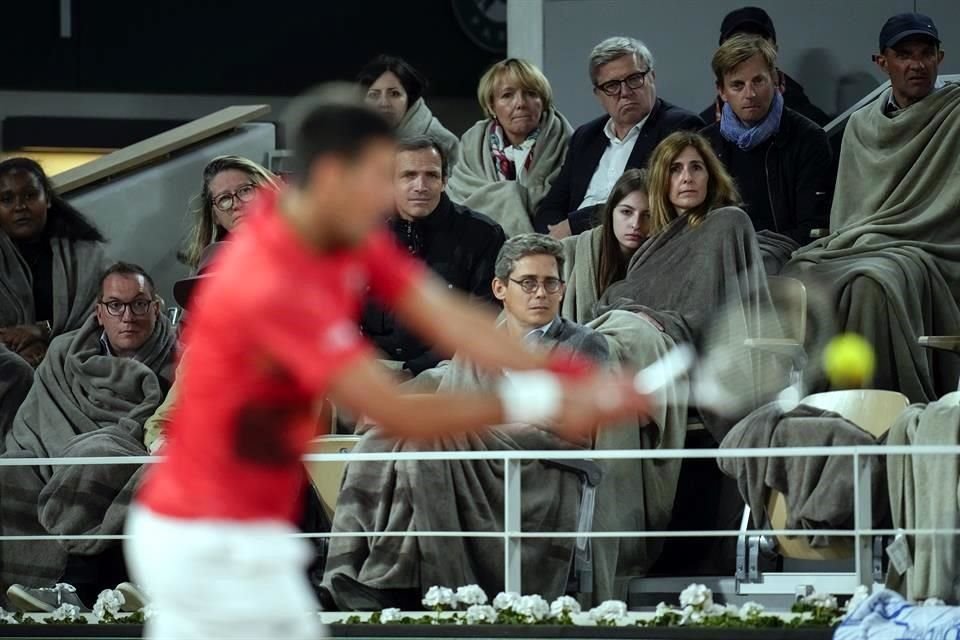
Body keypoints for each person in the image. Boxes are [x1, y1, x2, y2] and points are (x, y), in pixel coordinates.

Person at [125, 85, 650, 640]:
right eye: (378, 177)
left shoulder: (349, 235)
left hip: (252, 531)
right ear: (332, 176)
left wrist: (565, 372)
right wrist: (543, 397)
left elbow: (447, 316)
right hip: (202, 533)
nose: (391, 193)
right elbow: (393, 410)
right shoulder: (269, 282)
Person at [325, 233, 608, 610]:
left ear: (562, 289)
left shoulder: (583, 344)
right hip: (468, 464)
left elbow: (575, 430)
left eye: (550, 283)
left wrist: (471, 427)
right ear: (500, 288)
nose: (541, 293)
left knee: (428, 439)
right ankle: (346, 572)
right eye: (528, 282)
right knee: (382, 437)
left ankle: (391, 576)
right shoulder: (480, 344)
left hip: (540, 474)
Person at [598, 131, 773, 575]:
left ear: (710, 174)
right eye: (675, 169)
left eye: (696, 167)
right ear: (661, 180)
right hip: (644, 348)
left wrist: (664, 323)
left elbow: (711, 309)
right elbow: (636, 292)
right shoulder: (654, 240)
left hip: (697, 357)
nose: (687, 177)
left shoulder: (727, 222)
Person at [782, 13, 960, 402]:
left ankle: (881, 410)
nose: (917, 64)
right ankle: (819, 409)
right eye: (904, 54)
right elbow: (849, 216)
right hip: (864, 245)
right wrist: (868, 239)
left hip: (933, 252)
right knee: (800, 271)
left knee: (871, 284)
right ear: (881, 62)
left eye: (926, 54)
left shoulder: (955, 115)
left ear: (940, 58)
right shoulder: (861, 125)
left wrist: (883, 239)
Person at [2, 263, 175, 612]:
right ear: (99, 313)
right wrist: (56, 455)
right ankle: (22, 591)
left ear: (156, 308)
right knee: (9, 471)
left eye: (139, 304)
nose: (128, 316)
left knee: (96, 455)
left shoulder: (177, 359)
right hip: (57, 453)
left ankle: (72, 589)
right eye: (115, 305)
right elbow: (35, 420)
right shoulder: (64, 354)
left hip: (134, 451)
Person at [361, 136, 506, 375]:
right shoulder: (363, 233)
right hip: (372, 366)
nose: (421, 186)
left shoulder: (483, 235)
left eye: (431, 175)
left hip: (447, 369)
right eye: (408, 175)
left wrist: (414, 370)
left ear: (445, 180)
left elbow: (484, 318)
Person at [534, 37, 702, 239]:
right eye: (612, 85)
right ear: (598, 94)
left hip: (632, 243)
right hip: (570, 247)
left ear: (652, 77)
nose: (625, 93)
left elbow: (653, 197)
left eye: (634, 79)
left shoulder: (678, 127)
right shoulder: (586, 136)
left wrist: (574, 225)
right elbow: (552, 205)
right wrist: (549, 238)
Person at [701, 34, 833, 273]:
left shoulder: (809, 138)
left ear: (776, 80)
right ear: (721, 91)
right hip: (718, 257)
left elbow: (813, 228)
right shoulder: (705, 144)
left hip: (785, 257)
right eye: (737, 85)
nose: (749, 94)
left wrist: (750, 253)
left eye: (758, 81)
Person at [446, 58, 572, 237]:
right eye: (507, 95)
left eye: (530, 93)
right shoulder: (470, 145)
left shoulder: (570, 144)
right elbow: (457, 202)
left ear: (542, 101)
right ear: (491, 106)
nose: (520, 103)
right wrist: (509, 195)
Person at [699, 7, 831, 126]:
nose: (749, 49)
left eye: (758, 41)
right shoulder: (699, 128)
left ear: (774, 49)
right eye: (737, 42)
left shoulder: (811, 122)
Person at [561, 168, 650, 324]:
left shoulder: (662, 259)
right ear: (611, 212)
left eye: (647, 215)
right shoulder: (568, 251)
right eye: (626, 212)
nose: (636, 224)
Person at [180, 155, 281, 268]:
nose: (237, 204)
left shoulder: (300, 240)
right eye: (224, 199)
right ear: (215, 216)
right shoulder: (214, 271)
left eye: (245, 190)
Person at [358, 55, 459, 161]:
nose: (384, 103)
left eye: (394, 94)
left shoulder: (442, 142)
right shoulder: (356, 139)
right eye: (374, 95)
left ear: (409, 97)